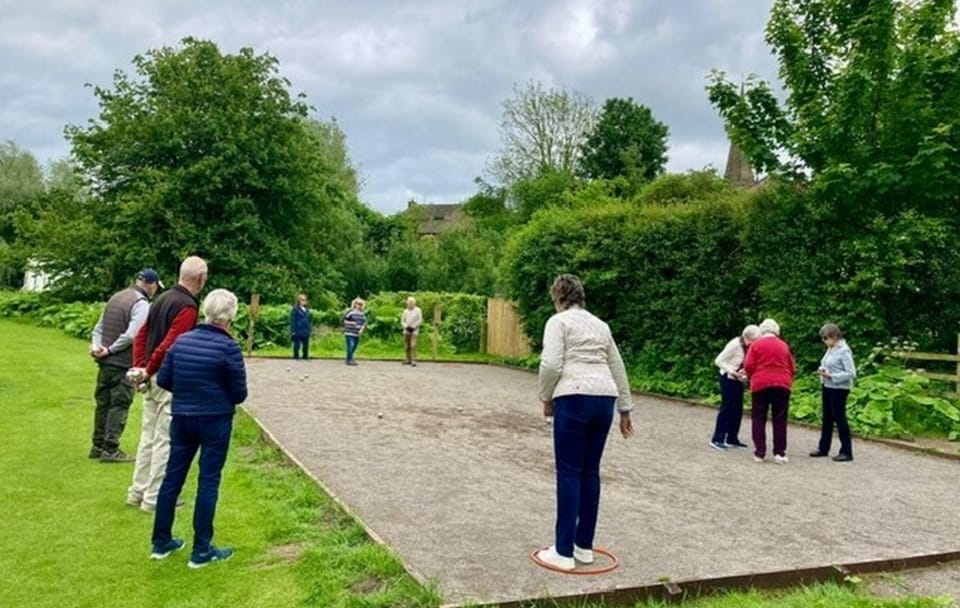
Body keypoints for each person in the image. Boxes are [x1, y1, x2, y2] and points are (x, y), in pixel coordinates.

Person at [535, 274, 635, 572]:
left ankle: (563, 551)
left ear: (558, 298)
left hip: (574, 396)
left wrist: (545, 397)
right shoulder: (600, 325)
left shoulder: (558, 322)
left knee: (568, 472)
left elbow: (551, 364)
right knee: (590, 472)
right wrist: (625, 409)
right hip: (604, 399)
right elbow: (617, 365)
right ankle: (584, 546)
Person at [150, 289, 247, 567]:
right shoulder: (229, 348)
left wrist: (189, 392)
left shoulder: (181, 342)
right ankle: (201, 550)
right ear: (230, 317)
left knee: (172, 478)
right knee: (208, 481)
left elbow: (165, 379)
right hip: (215, 419)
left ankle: (161, 541)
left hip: (182, 416)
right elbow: (239, 393)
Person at [127, 256, 208, 513]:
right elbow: (172, 344)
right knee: (164, 438)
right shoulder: (187, 306)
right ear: (201, 279)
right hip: (166, 378)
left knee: (148, 436)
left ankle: (137, 491)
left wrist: (140, 367)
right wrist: (149, 369)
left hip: (151, 375)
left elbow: (142, 334)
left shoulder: (162, 298)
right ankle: (155, 497)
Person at [89, 269, 162, 463]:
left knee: (103, 403)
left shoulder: (116, 297)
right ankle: (110, 448)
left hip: (104, 362)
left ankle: (97, 445)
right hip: (122, 362)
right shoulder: (141, 304)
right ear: (152, 284)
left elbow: (99, 327)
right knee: (119, 404)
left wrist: (97, 347)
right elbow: (132, 335)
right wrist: (111, 350)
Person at [743, 318, 795, 464]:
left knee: (759, 418)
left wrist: (753, 376)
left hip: (760, 384)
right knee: (780, 418)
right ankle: (780, 453)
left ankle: (760, 453)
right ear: (776, 331)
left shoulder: (756, 344)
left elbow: (748, 365)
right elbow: (792, 366)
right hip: (782, 384)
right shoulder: (784, 345)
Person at [710, 324, 761, 451]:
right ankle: (717, 438)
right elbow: (719, 361)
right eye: (754, 341)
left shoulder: (749, 347)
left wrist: (744, 372)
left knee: (737, 408)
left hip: (739, 378)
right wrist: (732, 371)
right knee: (727, 407)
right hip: (728, 377)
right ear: (746, 337)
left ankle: (732, 438)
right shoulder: (734, 344)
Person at [810, 323, 857, 462]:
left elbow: (851, 373)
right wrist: (823, 371)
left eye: (825, 338)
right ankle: (823, 447)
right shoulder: (831, 349)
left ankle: (846, 450)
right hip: (827, 385)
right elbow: (827, 363)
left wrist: (833, 376)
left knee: (839, 417)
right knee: (827, 417)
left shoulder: (844, 350)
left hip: (839, 388)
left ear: (834, 336)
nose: (824, 341)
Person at [343, 297, 366, 366]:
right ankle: (350, 360)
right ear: (354, 304)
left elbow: (364, 323)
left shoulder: (362, 314)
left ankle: (349, 358)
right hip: (349, 332)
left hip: (357, 333)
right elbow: (344, 320)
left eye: (360, 304)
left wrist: (362, 329)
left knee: (354, 346)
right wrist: (352, 324)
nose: (359, 305)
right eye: (358, 304)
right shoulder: (350, 312)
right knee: (351, 345)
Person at [401, 296, 423, 366]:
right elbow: (402, 321)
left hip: (414, 330)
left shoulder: (418, 310)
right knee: (407, 345)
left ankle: (413, 360)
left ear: (414, 303)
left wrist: (413, 327)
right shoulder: (405, 311)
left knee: (413, 345)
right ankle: (408, 359)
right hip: (406, 330)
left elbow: (419, 320)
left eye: (412, 302)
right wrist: (406, 326)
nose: (410, 304)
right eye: (409, 302)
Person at [290, 293, 311, 360]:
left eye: (305, 300)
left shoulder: (307, 309)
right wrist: (293, 330)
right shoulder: (295, 309)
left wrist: (309, 328)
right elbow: (292, 320)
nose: (304, 301)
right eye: (302, 300)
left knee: (306, 345)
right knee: (297, 345)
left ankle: (305, 356)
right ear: (299, 300)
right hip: (298, 330)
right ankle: (296, 357)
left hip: (306, 330)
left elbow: (309, 320)